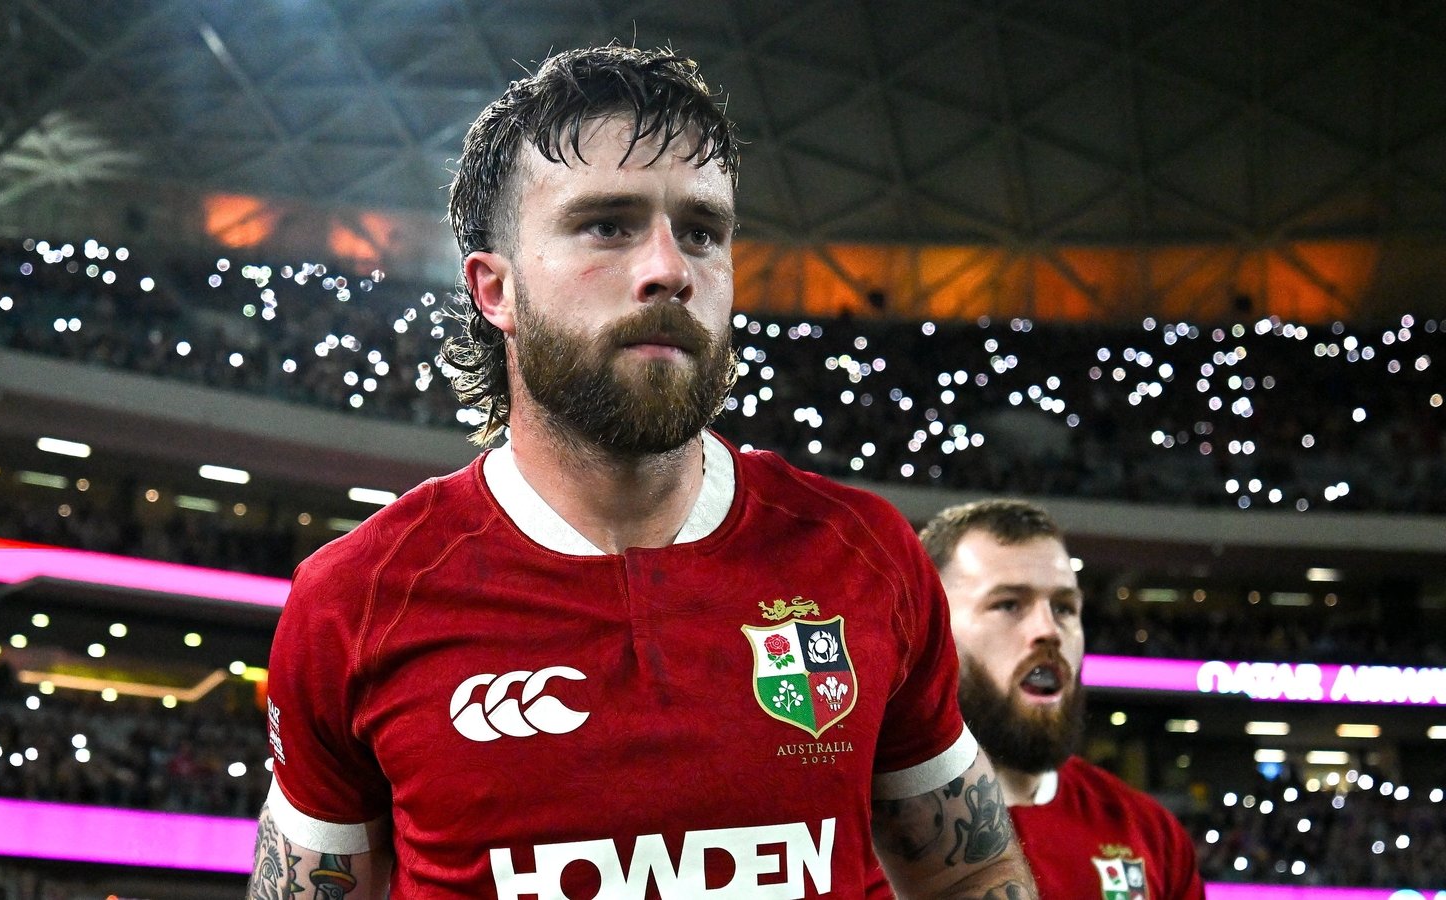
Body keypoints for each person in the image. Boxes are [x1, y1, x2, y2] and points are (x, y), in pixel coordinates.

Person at [248, 45, 1036, 899]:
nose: (669, 271)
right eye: (608, 225)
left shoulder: (863, 553)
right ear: (494, 290)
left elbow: (972, 869)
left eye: (701, 232)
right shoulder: (356, 602)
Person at [919, 499, 1205, 900]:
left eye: (1064, 608)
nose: (1049, 630)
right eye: (1008, 604)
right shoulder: (853, 829)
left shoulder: (1152, 837)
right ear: (927, 629)